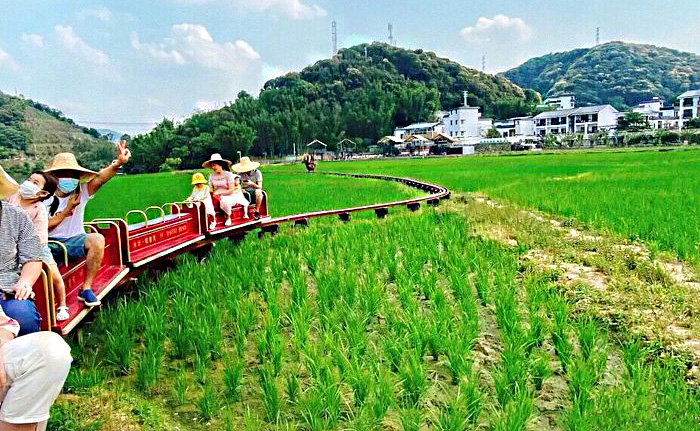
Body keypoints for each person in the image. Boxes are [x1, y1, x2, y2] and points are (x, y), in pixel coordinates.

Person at [0, 164, 73, 430]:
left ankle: (21, 386)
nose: (28, 184)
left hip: (10, 282)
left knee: (26, 317)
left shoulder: (19, 216)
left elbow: (33, 255)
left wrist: (24, 281)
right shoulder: (14, 201)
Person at [44, 142, 131, 308]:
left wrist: (118, 163)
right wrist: (67, 210)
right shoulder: (44, 198)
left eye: (72, 174)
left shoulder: (82, 191)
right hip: (50, 243)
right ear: (54, 176)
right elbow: (42, 227)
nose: (68, 177)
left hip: (75, 239)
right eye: (63, 173)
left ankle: (86, 288)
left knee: (97, 239)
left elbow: (100, 178)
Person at [7, 171, 70, 321]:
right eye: (29, 180)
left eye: (35, 183)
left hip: (36, 247)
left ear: (42, 193)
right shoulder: (13, 197)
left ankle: (62, 304)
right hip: (10, 245)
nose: (28, 183)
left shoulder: (38, 209)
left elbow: (39, 237)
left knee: (53, 273)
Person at [203, 153, 238, 227]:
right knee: (204, 202)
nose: (213, 167)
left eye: (214, 165)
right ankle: (209, 221)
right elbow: (211, 189)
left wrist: (220, 193)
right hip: (216, 196)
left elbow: (231, 190)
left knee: (223, 201)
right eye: (212, 166)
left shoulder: (228, 175)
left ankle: (228, 217)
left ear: (220, 164)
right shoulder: (211, 176)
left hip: (229, 196)